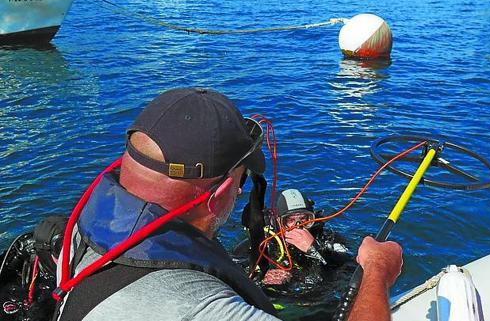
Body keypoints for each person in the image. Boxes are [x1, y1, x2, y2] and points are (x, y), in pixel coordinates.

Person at [51, 87, 402, 321]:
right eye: (240, 183)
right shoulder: (201, 308)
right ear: (218, 196)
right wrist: (377, 273)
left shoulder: (79, 235)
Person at [235, 189, 352, 294]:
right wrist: (262, 276)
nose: (298, 226)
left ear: (313, 219)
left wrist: (315, 249)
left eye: (304, 219)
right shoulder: (262, 242)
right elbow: (233, 269)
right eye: (290, 220)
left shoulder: (328, 239)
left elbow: (349, 266)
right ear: (278, 222)